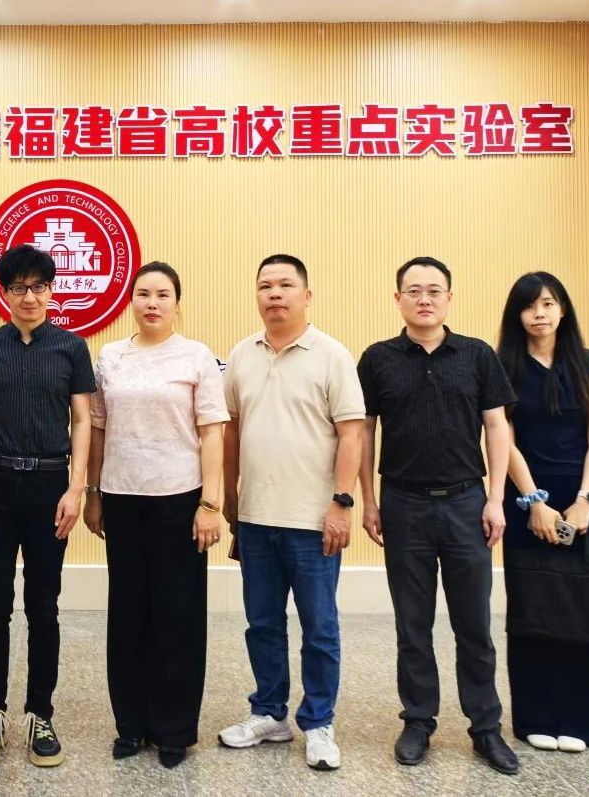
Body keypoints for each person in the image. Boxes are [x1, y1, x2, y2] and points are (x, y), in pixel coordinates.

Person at [357, 256, 521, 775]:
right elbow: (363, 432)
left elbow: (496, 427)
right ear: (398, 299)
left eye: (433, 290)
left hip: (466, 503)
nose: (424, 299)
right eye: (413, 290)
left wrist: (495, 498)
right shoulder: (378, 359)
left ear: (449, 298)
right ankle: (418, 720)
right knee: (413, 623)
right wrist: (368, 500)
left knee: (475, 623)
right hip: (403, 504)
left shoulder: (476, 355)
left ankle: (485, 727)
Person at [217, 254, 363, 771]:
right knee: (262, 623)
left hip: (313, 520)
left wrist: (342, 502)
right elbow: (230, 431)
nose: (274, 294)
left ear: (307, 294)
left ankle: (319, 722)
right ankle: (269, 713)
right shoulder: (242, 354)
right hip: (256, 518)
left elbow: (352, 433)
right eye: (265, 286)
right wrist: (230, 498)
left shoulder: (332, 356)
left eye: (285, 285)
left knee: (319, 627)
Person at [83, 262, 227, 769]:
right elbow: (98, 427)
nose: (152, 303)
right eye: (143, 293)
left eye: (162, 294)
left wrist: (211, 504)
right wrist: (93, 493)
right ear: (131, 302)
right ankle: (131, 724)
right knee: (128, 614)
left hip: (179, 498)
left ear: (176, 303)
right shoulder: (111, 357)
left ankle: (173, 730)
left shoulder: (196, 357)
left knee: (177, 615)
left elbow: (212, 433)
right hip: (121, 496)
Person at [0, 244, 95, 768]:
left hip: (48, 487)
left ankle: (41, 714)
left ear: (51, 291)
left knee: (43, 606)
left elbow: (81, 421)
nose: (29, 297)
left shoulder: (71, 347)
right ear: (5, 293)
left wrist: (76, 489)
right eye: (19, 287)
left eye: (39, 286)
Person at [497, 271, 589, 753]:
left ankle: (579, 720)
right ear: (517, 315)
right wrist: (533, 502)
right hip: (526, 496)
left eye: (547, 303)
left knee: (580, 605)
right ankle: (534, 717)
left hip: (582, 494)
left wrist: (585, 500)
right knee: (532, 606)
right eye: (529, 306)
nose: (538, 314)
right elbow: (504, 440)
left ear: (562, 309)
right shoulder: (503, 366)